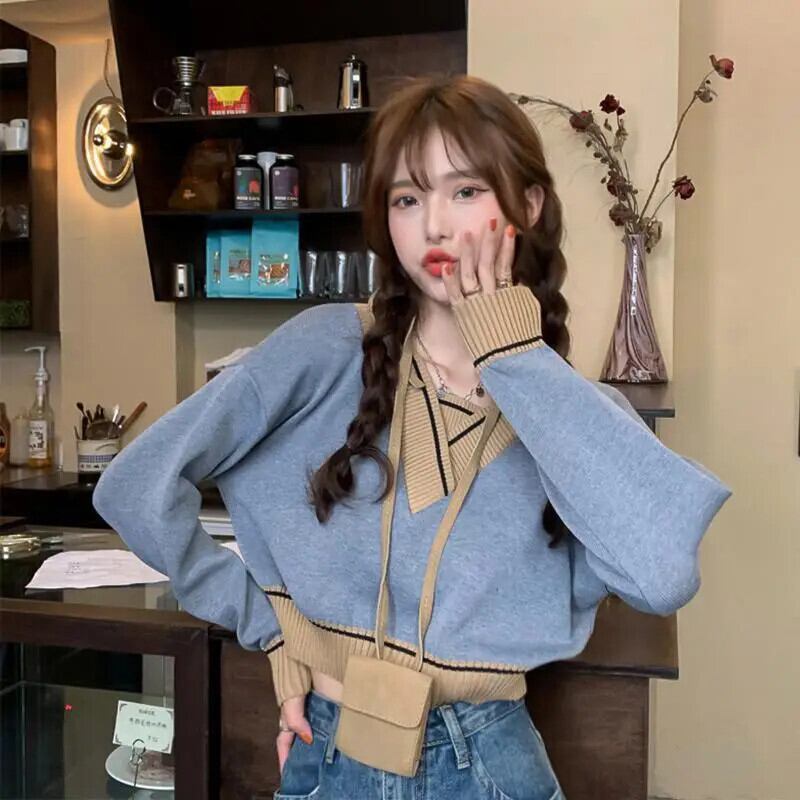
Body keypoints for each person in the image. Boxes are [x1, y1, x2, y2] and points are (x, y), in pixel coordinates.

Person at [93, 75, 733, 800]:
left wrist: (512, 356)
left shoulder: (574, 409)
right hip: (329, 753)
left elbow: (662, 576)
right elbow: (136, 486)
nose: (434, 225)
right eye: (406, 199)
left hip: (493, 766)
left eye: (465, 191)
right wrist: (269, 626)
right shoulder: (326, 350)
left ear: (528, 206)